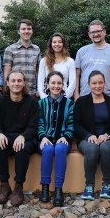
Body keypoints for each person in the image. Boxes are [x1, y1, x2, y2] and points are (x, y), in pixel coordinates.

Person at [0, 70, 38, 206]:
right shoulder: (0, 102)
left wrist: (23, 136)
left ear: (24, 83)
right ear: (7, 83)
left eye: (19, 81)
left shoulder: (32, 102)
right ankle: (4, 185)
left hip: (27, 139)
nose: (16, 83)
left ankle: (18, 187)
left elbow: (33, 127)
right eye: (13, 81)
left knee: (22, 149)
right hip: (7, 136)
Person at [74, 70, 110, 200]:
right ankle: (89, 186)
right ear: (89, 84)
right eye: (94, 83)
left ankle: (107, 185)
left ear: (104, 84)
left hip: (106, 138)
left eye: (100, 83)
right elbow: (76, 125)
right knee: (92, 148)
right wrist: (88, 135)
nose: (97, 86)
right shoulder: (81, 102)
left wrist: (107, 135)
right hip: (86, 138)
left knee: (106, 147)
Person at [37, 71, 74, 207]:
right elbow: (39, 123)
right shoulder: (41, 103)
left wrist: (65, 136)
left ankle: (58, 189)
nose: (56, 86)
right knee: (47, 150)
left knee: (59, 149)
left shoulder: (70, 104)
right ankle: (45, 188)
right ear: (47, 84)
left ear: (63, 85)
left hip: (63, 140)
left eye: (59, 83)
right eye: (53, 83)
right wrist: (42, 137)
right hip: (45, 139)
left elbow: (71, 124)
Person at [74, 20, 110, 101]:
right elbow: (76, 75)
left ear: (104, 31)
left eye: (98, 31)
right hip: (84, 98)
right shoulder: (81, 51)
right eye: (92, 32)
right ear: (89, 34)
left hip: (108, 98)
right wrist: (76, 96)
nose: (95, 34)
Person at [3, 19, 41, 97]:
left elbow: (38, 72)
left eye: (29, 29)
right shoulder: (10, 49)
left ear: (32, 31)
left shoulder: (37, 49)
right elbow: (6, 72)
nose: (26, 31)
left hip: (32, 93)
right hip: (15, 92)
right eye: (23, 29)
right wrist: (7, 90)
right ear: (18, 31)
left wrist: (39, 89)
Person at [37, 33, 76, 99]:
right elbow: (40, 82)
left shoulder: (70, 61)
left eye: (60, 42)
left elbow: (73, 83)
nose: (57, 44)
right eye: (54, 42)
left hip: (64, 96)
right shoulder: (44, 61)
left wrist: (64, 98)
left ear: (63, 44)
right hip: (47, 97)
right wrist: (44, 98)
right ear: (51, 44)